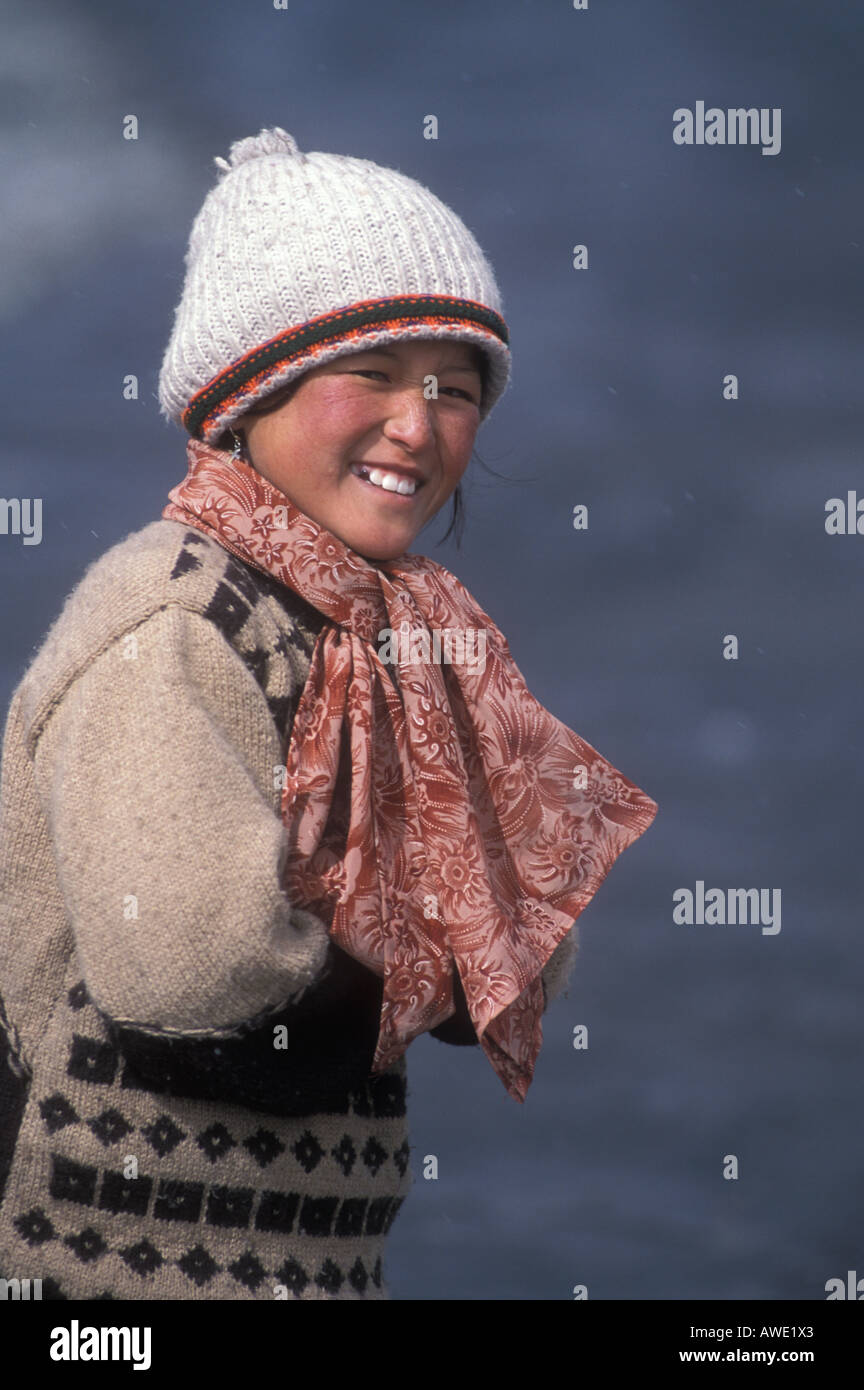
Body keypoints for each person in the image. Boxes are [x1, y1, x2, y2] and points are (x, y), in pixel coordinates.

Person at [0, 128, 658, 1300]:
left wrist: (430, 928)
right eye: (374, 371)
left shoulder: (401, 644)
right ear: (248, 392)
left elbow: (528, 950)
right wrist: (419, 938)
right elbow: (189, 971)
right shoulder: (173, 622)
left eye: (456, 388)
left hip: (308, 1266)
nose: (422, 424)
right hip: (98, 1279)